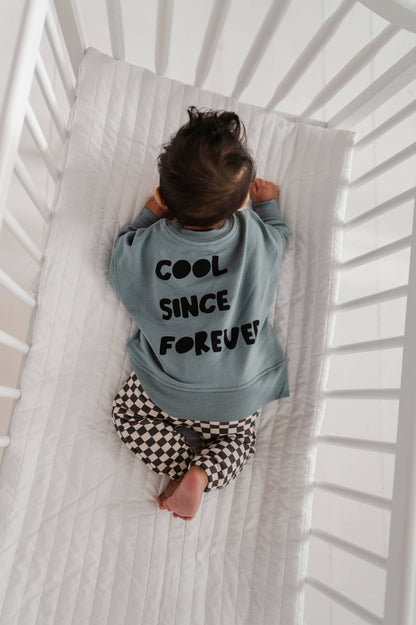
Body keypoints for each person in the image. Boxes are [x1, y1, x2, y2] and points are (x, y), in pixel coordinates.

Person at [108, 106, 290, 521]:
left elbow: (122, 256)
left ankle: (182, 468)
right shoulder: (255, 237)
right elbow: (280, 240)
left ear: (167, 195)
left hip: (167, 390)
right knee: (240, 444)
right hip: (239, 396)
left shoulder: (149, 248)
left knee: (127, 414)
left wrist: (150, 213)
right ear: (240, 201)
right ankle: (204, 474)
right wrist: (269, 207)